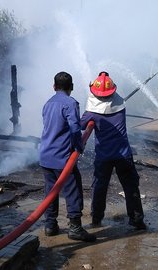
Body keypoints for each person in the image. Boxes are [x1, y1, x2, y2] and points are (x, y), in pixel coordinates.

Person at [80, 71, 146, 230]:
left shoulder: (92, 112)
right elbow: (113, 101)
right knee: (130, 187)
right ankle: (137, 220)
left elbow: (82, 125)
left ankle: (96, 219)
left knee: (99, 188)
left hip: (104, 156)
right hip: (123, 154)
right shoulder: (120, 106)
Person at [39, 71, 96, 242]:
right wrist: (79, 146)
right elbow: (74, 129)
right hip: (62, 158)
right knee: (73, 191)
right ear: (71, 87)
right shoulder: (71, 103)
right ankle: (75, 228)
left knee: (51, 191)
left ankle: (50, 226)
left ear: (54, 86)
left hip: (45, 156)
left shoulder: (48, 103)